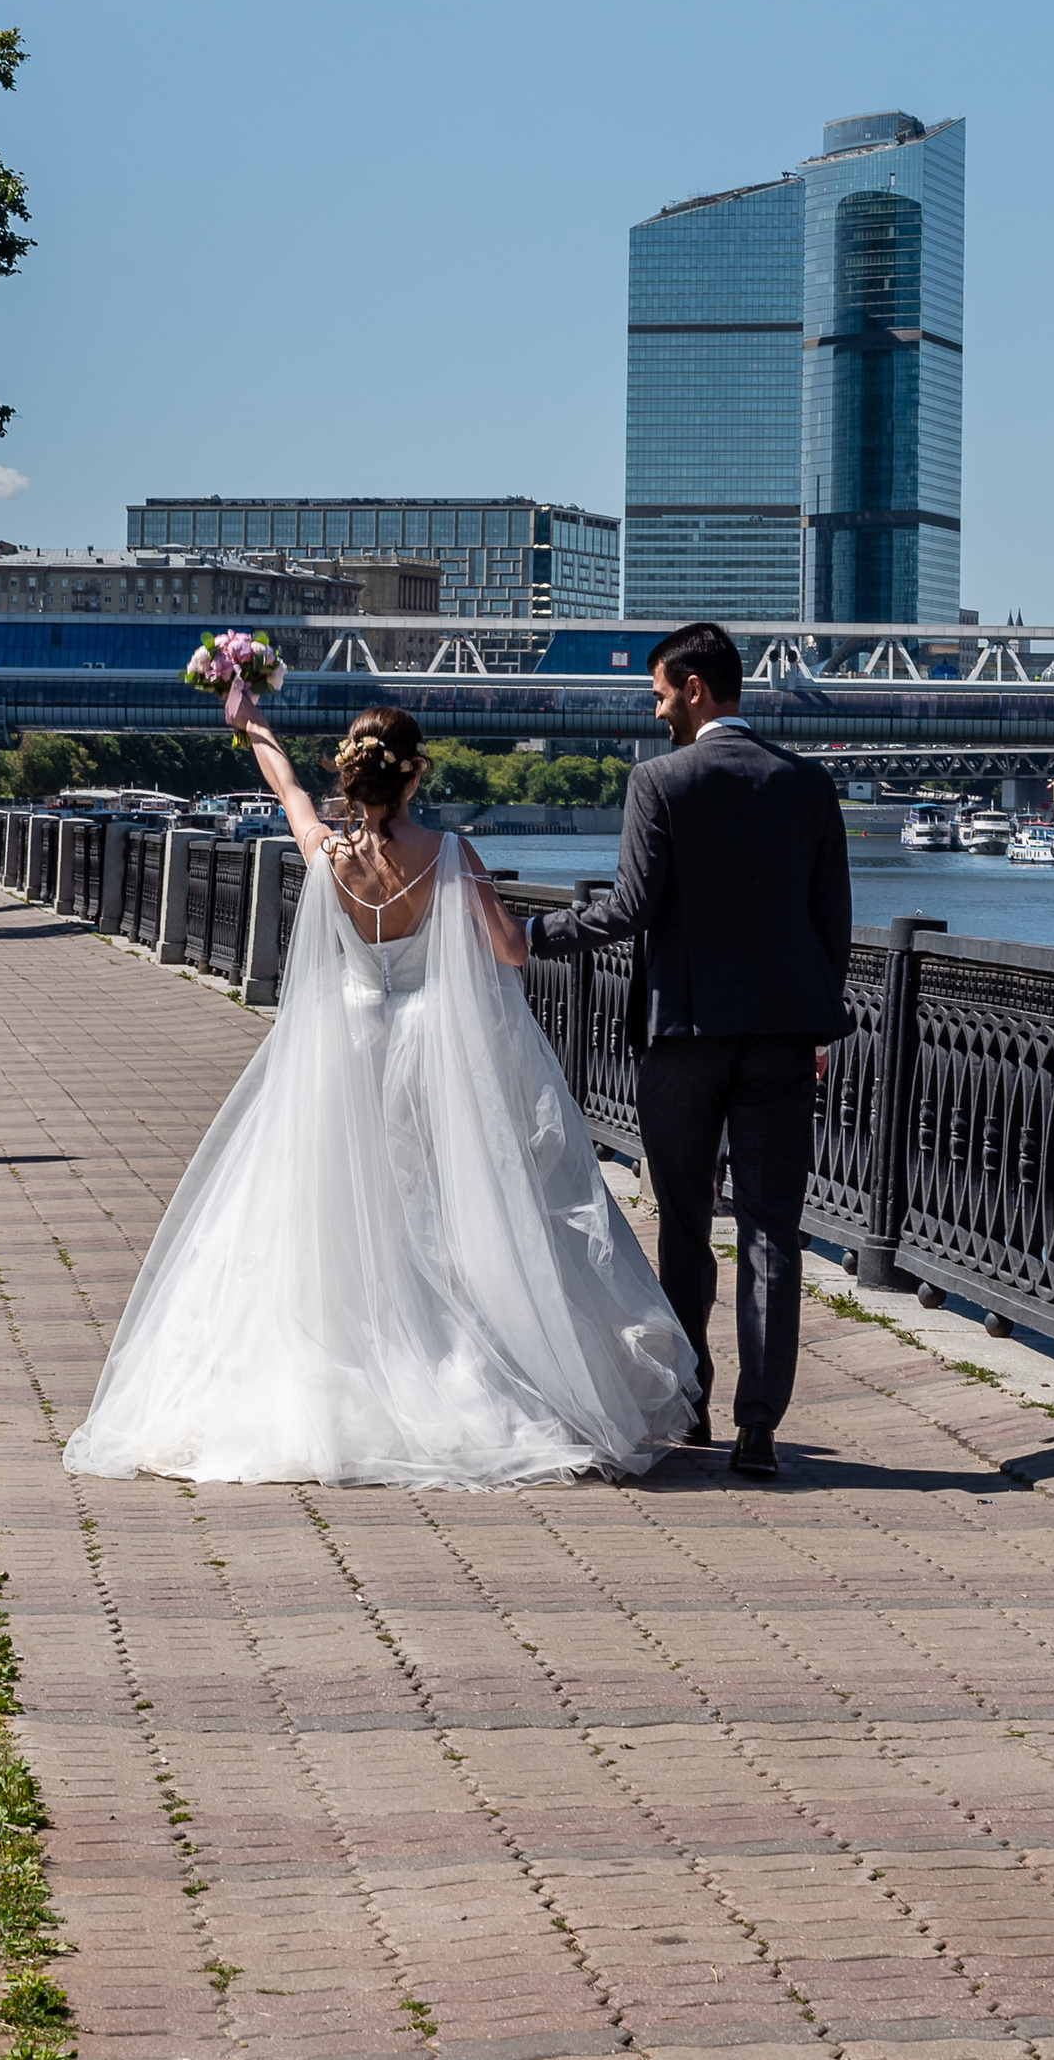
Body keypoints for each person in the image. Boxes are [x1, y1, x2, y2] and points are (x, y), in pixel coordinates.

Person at [62, 697, 697, 1490]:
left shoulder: (327, 854)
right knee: (447, 1208)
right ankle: (459, 1358)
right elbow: (508, 949)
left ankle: (356, 1359)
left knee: (344, 1206)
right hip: (433, 1049)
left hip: (351, 1042)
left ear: (349, 775)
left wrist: (253, 725)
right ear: (415, 775)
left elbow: (287, 790)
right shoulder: (451, 853)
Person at [524, 622, 851, 1482]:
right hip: (783, 1038)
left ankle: (691, 1397)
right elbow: (831, 925)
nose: (656, 708)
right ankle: (760, 1428)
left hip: (683, 1039)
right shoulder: (808, 784)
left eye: (661, 692)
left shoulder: (659, 781)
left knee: (684, 1222)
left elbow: (630, 908)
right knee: (773, 1232)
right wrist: (818, 1026)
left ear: (695, 689)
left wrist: (531, 935)